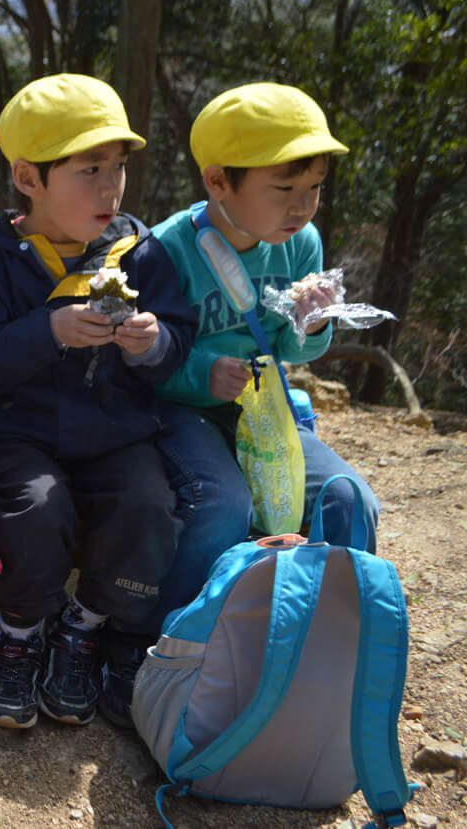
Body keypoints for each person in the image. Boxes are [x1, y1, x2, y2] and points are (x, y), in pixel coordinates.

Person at [0, 74, 196, 730]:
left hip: (116, 433)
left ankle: (85, 627)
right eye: (89, 170)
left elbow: (178, 341)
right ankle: (20, 631)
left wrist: (151, 344)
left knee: (146, 505)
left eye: (117, 168)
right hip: (17, 434)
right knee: (33, 507)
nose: (110, 188)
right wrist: (48, 329)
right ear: (29, 177)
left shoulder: (137, 254)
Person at [152, 82, 381, 617]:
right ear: (218, 181)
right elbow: (143, 362)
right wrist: (204, 373)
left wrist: (311, 324)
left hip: (264, 410)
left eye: (315, 188)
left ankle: (335, 632)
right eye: (283, 188)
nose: (302, 206)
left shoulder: (302, 243)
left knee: (349, 497)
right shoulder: (168, 249)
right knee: (224, 504)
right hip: (182, 411)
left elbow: (292, 352)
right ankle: (175, 638)